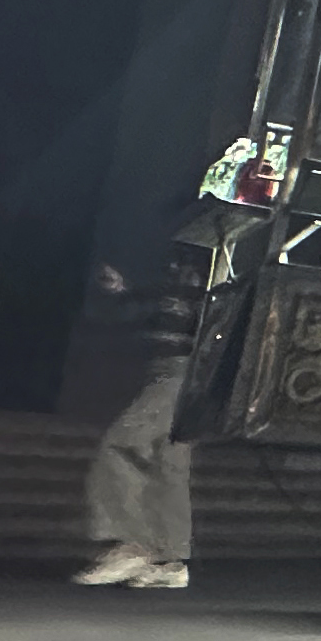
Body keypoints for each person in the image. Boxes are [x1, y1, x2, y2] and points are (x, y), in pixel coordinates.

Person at [76, 249, 201, 590]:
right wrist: (124, 293)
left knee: (120, 445)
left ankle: (130, 543)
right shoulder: (197, 284)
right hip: (188, 377)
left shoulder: (187, 284)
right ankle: (169, 559)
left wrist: (123, 293)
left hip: (176, 374)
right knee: (169, 462)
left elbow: (160, 310)